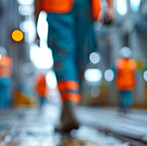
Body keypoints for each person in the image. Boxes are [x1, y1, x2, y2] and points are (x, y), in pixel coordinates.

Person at [34, 0, 114, 132]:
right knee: (81, 55)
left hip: (58, 5)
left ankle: (69, 105)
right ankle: (71, 108)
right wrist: (110, 7)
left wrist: (36, 22)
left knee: (63, 53)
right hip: (87, 6)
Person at [115, 47, 136, 113]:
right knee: (128, 96)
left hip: (121, 83)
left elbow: (116, 74)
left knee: (122, 96)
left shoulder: (119, 63)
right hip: (129, 83)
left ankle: (122, 107)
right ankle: (127, 107)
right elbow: (133, 75)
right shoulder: (132, 63)